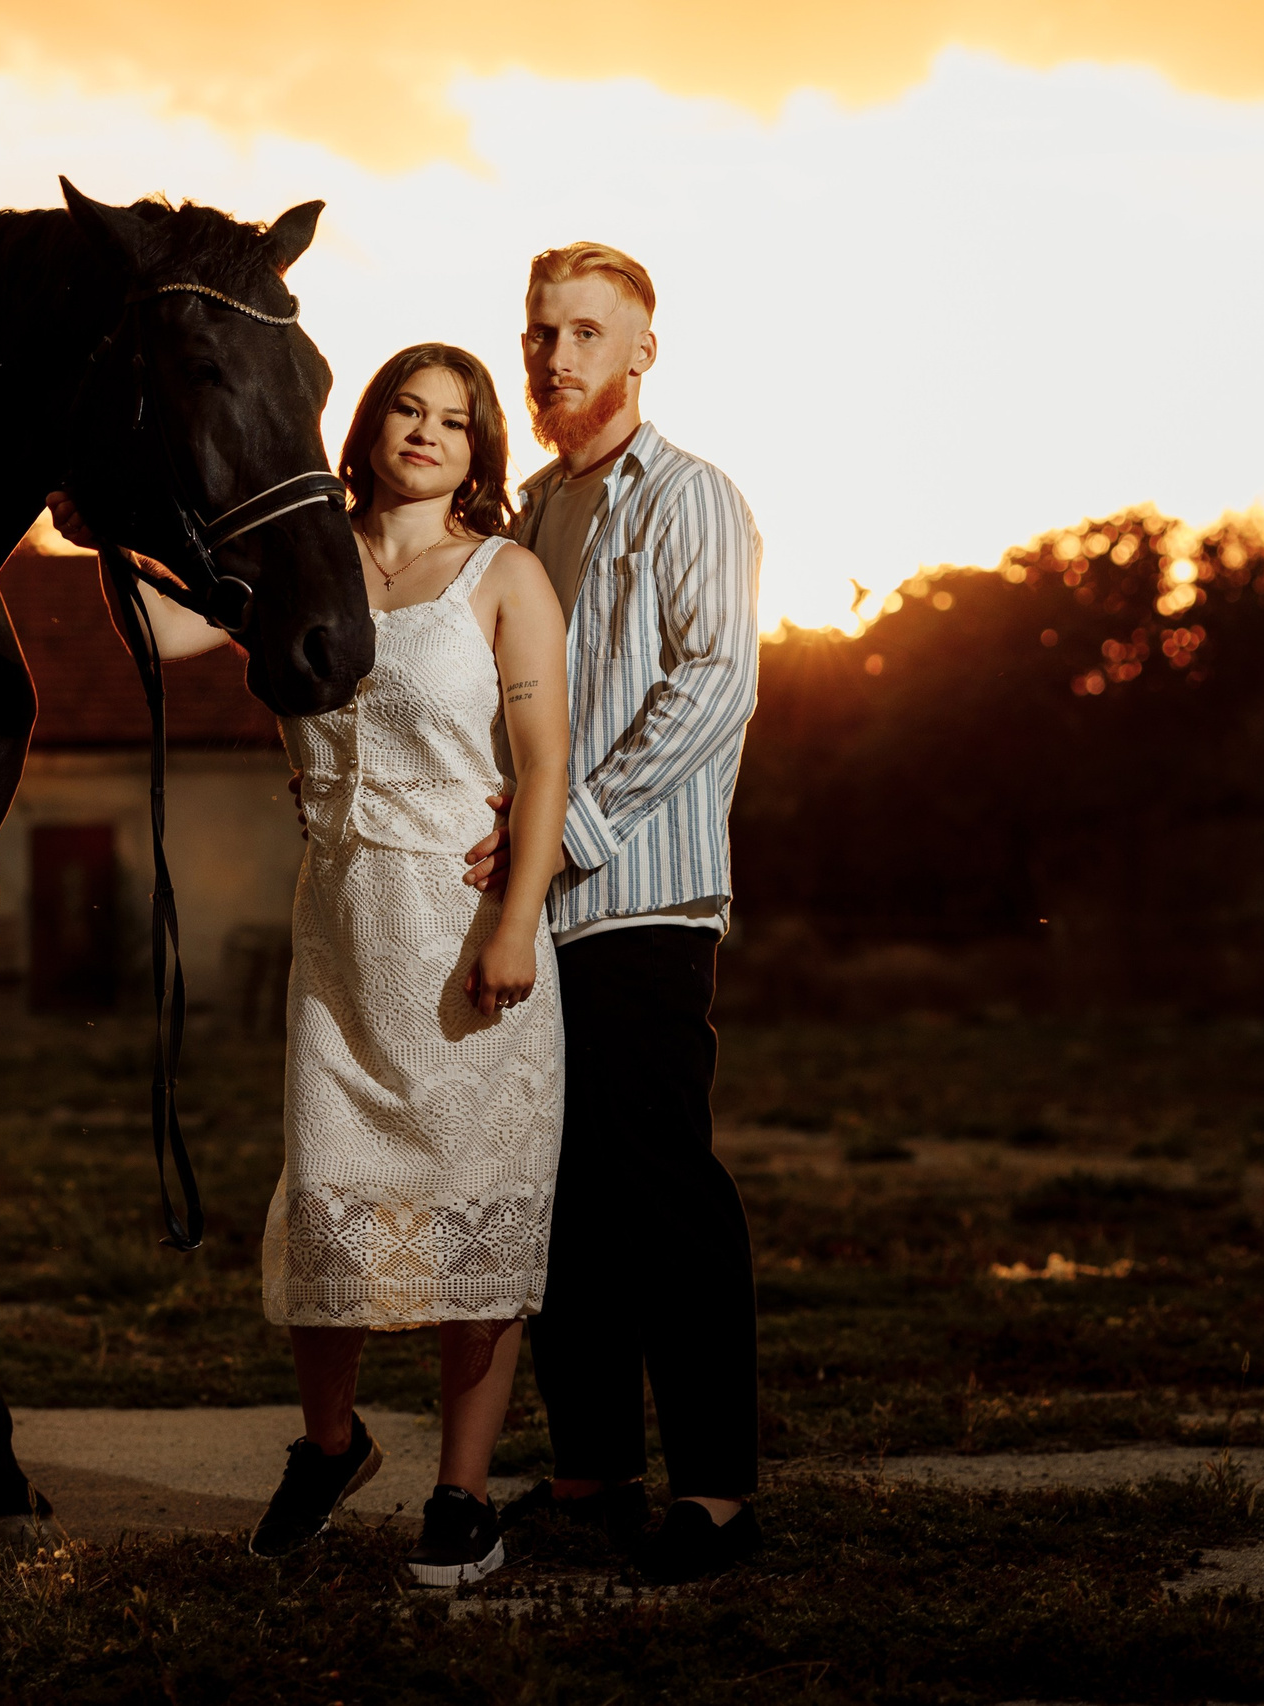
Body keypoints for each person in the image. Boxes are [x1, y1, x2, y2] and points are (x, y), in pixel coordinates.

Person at [50, 343, 570, 1589]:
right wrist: (102, 517)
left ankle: (461, 1491)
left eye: (455, 418)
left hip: (461, 925)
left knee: (469, 1224)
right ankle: (329, 1448)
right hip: (338, 926)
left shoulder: (506, 575)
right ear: (366, 421)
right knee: (331, 1202)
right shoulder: (297, 561)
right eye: (407, 406)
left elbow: (545, 763)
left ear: (479, 446)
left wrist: (514, 915)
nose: (427, 432)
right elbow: (161, 625)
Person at [461, 243, 765, 1584]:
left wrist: (563, 830)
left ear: (643, 350)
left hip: (642, 897)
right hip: (536, 905)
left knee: (661, 1184)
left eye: (586, 332)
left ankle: (716, 1489)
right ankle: (590, 1470)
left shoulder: (689, 496)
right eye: (541, 333)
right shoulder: (526, 515)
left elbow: (711, 686)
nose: (555, 356)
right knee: (558, 1195)